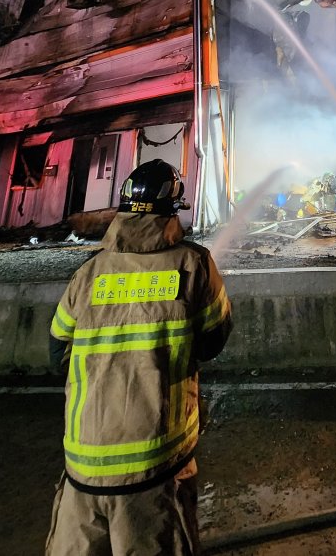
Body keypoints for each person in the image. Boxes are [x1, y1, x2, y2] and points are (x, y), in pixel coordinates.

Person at [46, 159, 232, 556]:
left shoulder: (89, 273)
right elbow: (213, 341)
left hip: (82, 469)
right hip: (155, 470)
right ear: (172, 211)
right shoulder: (193, 264)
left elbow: (58, 352)